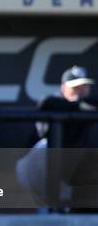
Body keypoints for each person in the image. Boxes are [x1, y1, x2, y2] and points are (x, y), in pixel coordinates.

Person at [16, 66, 98, 208]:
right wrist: (78, 106)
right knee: (45, 147)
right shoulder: (54, 101)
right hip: (32, 169)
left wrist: (81, 106)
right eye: (76, 87)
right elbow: (45, 102)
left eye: (84, 86)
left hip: (68, 171)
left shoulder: (90, 104)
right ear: (64, 87)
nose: (81, 91)